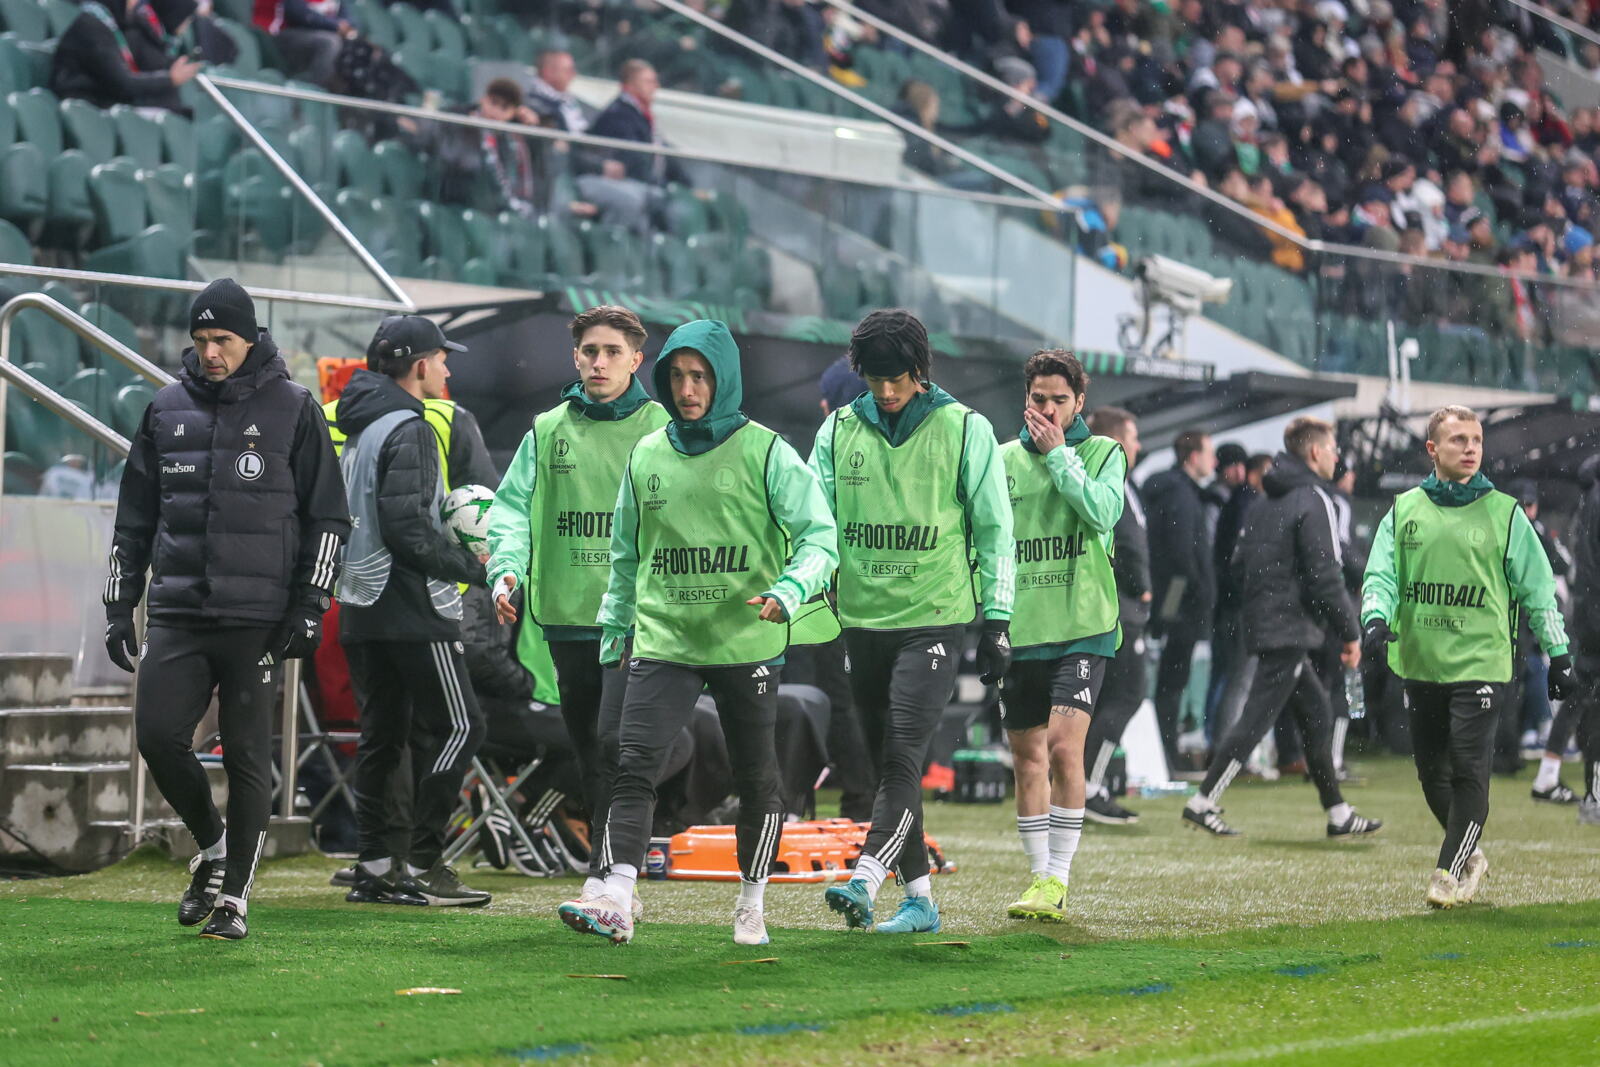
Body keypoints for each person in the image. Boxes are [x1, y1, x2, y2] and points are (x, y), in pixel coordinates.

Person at [557, 319, 837, 947]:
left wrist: (789, 592)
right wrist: (614, 626)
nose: (688, 389)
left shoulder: (766, 451)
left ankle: (751, 901)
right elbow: (625, 553)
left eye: (701, 376)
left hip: (747, 640)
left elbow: (821, 538)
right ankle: (620, 896)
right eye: (678, 376)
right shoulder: (648, 453)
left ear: (724, 379)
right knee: (633, 764)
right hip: (665, 639)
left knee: (757, 776)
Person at [103, 278, 349, 941]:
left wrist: (309, 604)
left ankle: (235, 896)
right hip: (179, 612)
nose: (211, 352)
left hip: (258, 617)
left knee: (245, 755)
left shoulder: (296, 408)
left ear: (250, 339)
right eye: (202, 340)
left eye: (224, 340)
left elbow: (329, 518)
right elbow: (134, 521)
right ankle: (211, 846)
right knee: (157, 735)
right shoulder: (163, 408)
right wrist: (117, 602)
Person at [810, 309, 1014, 935]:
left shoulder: (965, 430)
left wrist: (998, 620)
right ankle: (921, 898)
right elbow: (815, 524)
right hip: (862, 622)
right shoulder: (838, 432)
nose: (886, 390)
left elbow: (995, 529)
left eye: (896, 377)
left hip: (934, 619)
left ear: (920, 370)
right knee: (881, 767)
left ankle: (867, 876)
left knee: (902, 752)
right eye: (874, 379)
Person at [487, 305, 669, 917]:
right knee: (591, 747)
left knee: (619, 742)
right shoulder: (547, 429)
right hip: (565, 615)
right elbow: (510, 510)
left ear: (636, 359)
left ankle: (615, 875)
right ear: (575, 357)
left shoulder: (662, 428)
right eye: (590, 351)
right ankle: (607, 870)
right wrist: (504, 565)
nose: (599, 362)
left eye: (613, 351)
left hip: (636, 618)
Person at [1360, 406, 1573, 907]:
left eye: (1476, 439)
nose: (1471, 448)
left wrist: (1559, 654)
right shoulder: (1404, 509)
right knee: (1430, 773)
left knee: (1468, 770)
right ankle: (1469, 852)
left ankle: (1448, 872)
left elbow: (1540, 591)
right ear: (1433, 450)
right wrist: (1375, 617)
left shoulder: (1506, 513)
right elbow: (1381, 575)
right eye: (1458, 440)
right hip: (1420, 662)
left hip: (1482, 664)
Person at [335, 315, 492, 909]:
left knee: (382, 738)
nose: (447, 368)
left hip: (361, 604)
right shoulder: (411, 425)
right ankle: (425, 860)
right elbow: (409, 529)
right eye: (441, 358)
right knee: (462, 726)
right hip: (412, 606)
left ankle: (375, 866)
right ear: (419, 364)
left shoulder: (360, 423)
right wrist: (473, 567)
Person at [1182, 418, 1382, 839]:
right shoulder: (1315, 500)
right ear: (1314, 453)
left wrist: (1267, 600)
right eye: (1331, 449)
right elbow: (1326, 575)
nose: (1336, 457)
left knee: (1317, 714)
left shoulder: (1261, 501)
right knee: (1255, 720)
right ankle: (1203, 801)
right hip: (1290, 630)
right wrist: (1350, 632)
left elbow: (1238, 564)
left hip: (1264, 622)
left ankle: (1338, 813)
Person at [998, 351, 1124, 921]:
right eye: (1038, 398)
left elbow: (1102, 513)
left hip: (1083, 626)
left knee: (1062, 747)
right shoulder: (999, 461)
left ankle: (1057, 877)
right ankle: (1036, 877)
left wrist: (1059, 459)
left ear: (1079, 403)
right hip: (1023, 628)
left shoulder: (1103, 453)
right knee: (1026, 758)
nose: (1046, 409)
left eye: (1058, 400)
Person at [1082, 405, 1148, 824]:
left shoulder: (1113, 482)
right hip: (1119, 608)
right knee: (1128, 694)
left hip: (1111, 606)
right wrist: (1141, 587)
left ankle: (1085, 784)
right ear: (1118, 441)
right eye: (1135, 436)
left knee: (1103, 698)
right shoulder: (1112, 483)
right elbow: (1126, 545)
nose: (1139, 444)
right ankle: (1088, 787)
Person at [1143, 428, 1217, 765]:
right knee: (1173, 682)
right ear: (1193, 457)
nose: (1213, 461)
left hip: (1170, 600)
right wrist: (1199, 592)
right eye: (1209, 452)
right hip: (1181, 603)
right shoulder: (1183, 496)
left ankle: (1164, 751)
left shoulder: (1172, 493)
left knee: (1168, 681)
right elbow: (1182, 553)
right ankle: (1166, 754)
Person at [51, 0, 201, 113]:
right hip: (85, 109)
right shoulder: (92, 27)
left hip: (103, 106)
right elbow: (123, 83)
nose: (137, 3)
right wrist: (170, 79)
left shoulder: (109, 25)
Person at [1568, 454, 1600, 826]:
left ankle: (1593, 794)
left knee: (1591, 704)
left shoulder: (1590, 498)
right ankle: (1593, 797)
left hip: (1589, 616)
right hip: (1595, 616)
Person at [252, 0, 359, 89]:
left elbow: (350, 18)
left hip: (308, 34)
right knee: (330, 43)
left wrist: (345, 27)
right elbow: (298, 13)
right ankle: (306, 92)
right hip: (274, 35)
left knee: (356, 49)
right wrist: (336, 26)